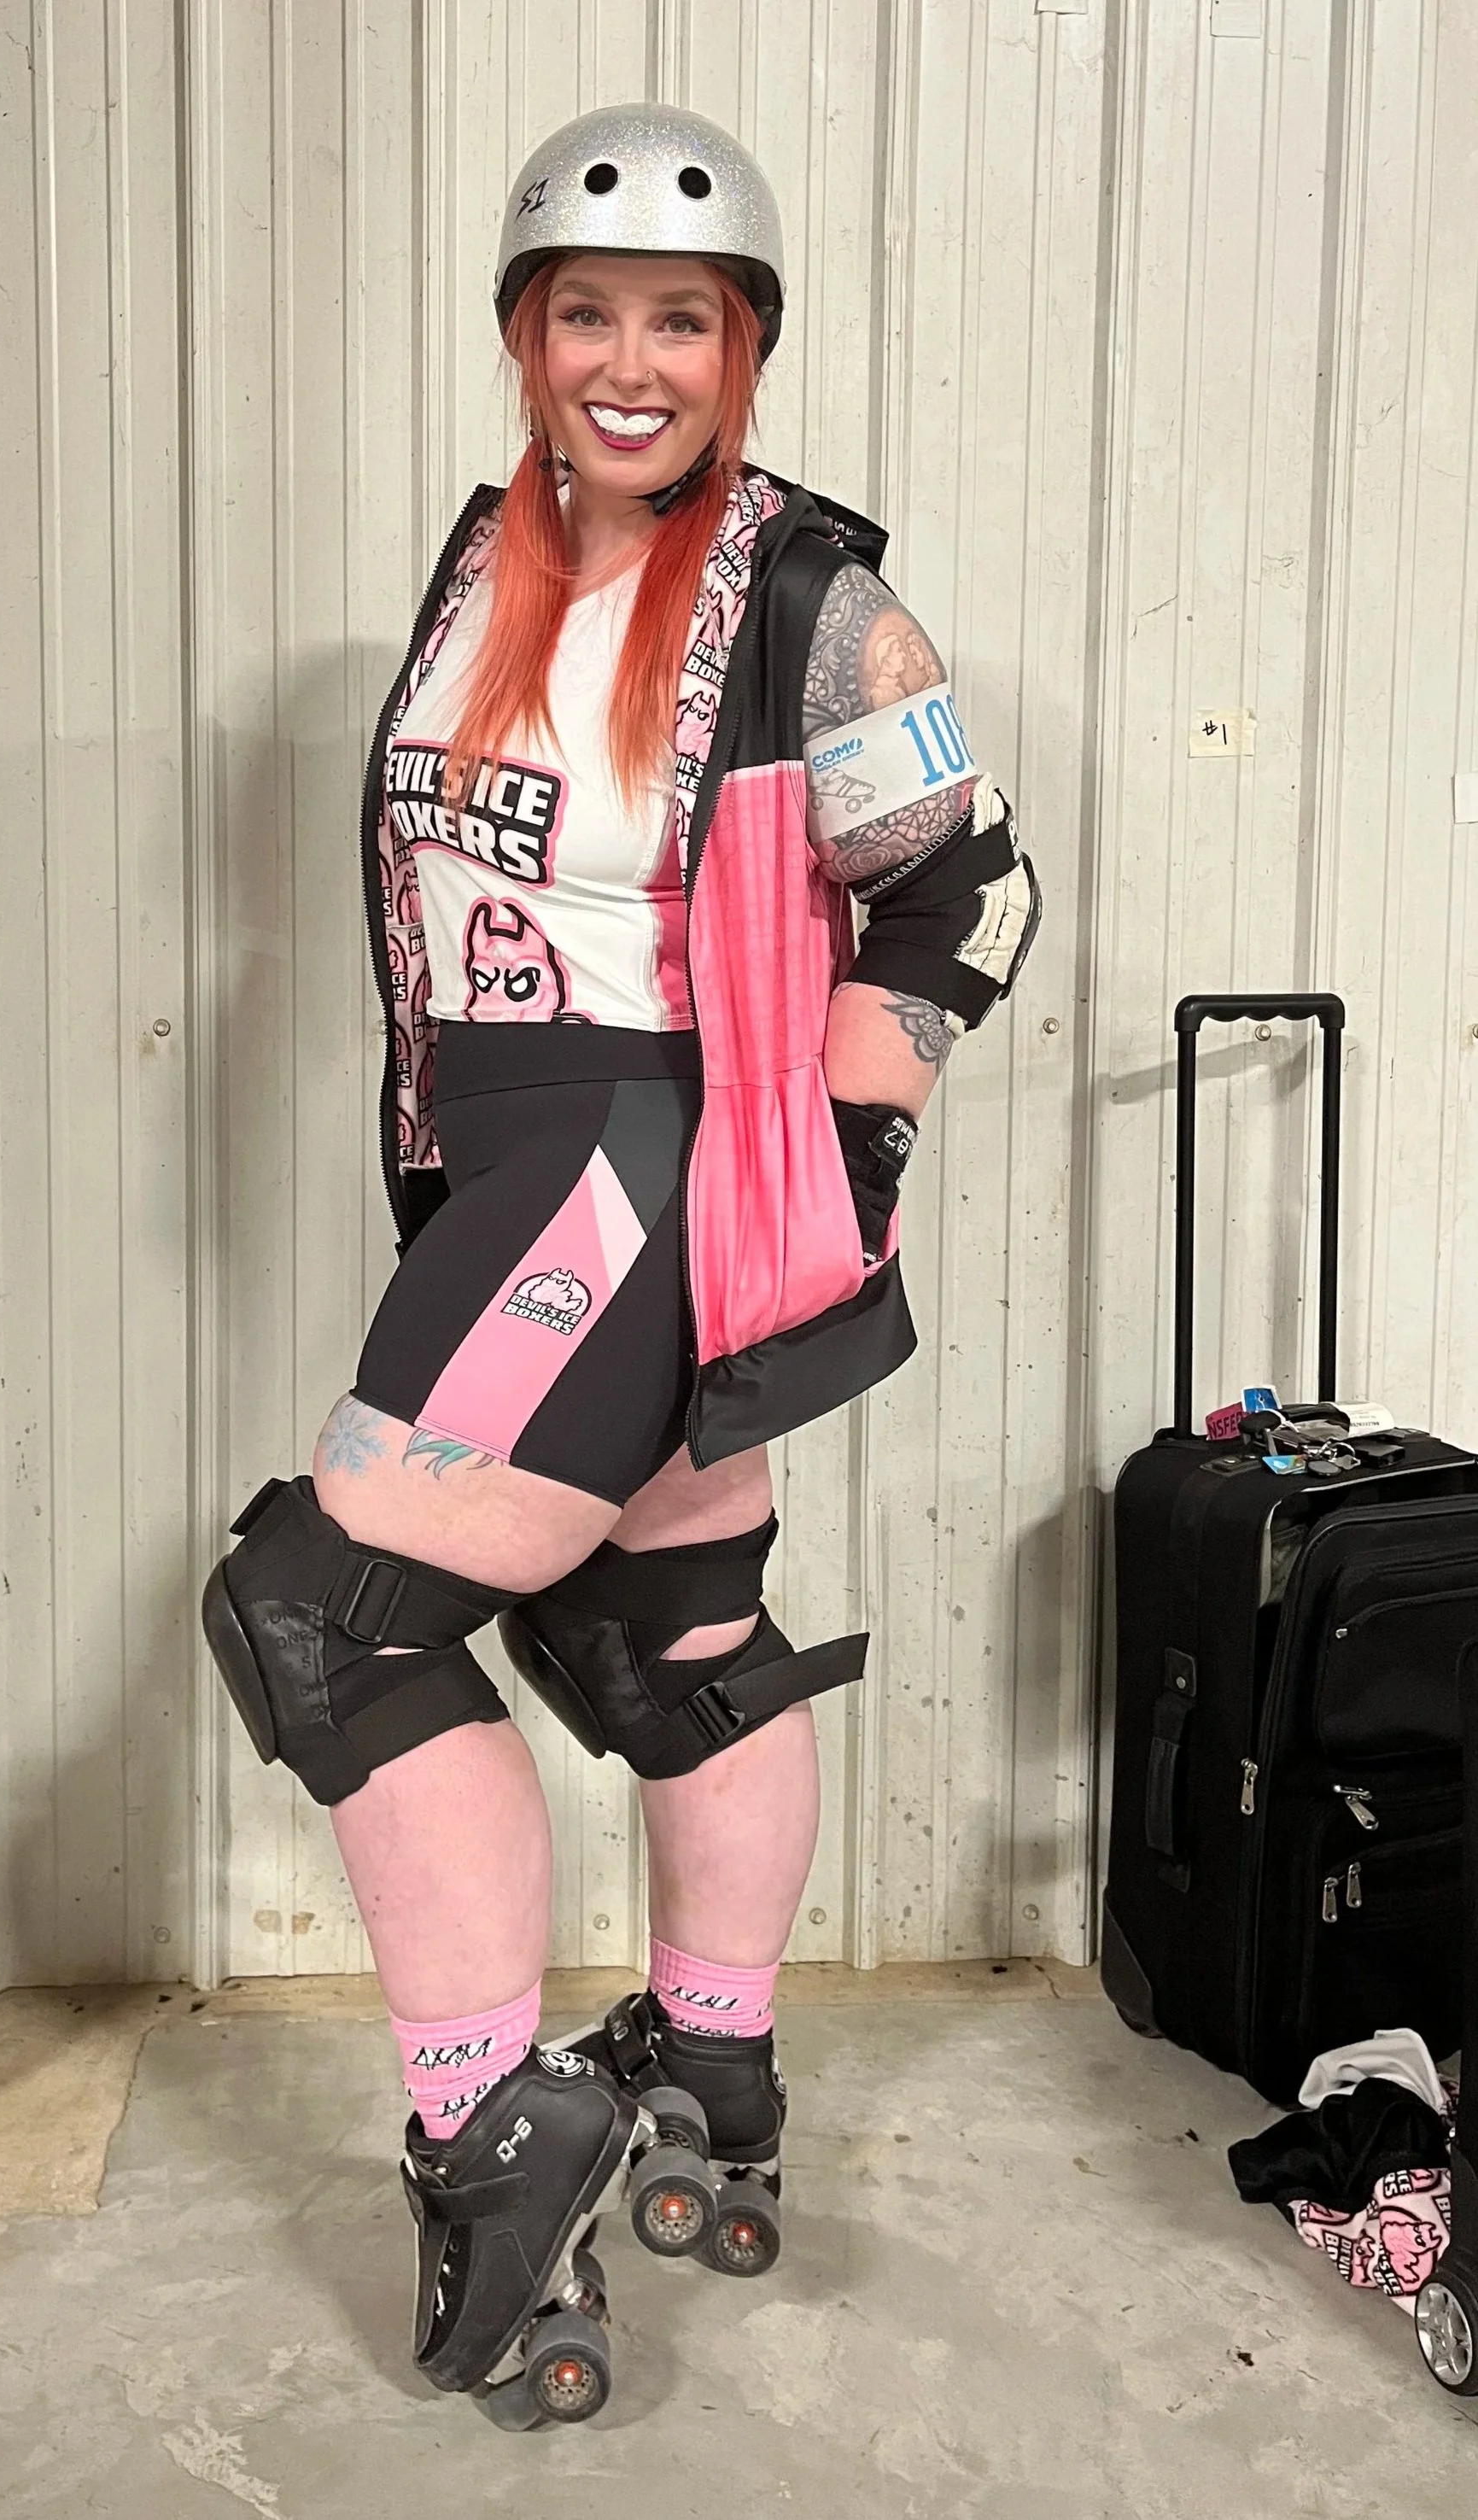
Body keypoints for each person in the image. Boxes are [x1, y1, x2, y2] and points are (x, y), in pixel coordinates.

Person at [203, 102, 1038, 2429]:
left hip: (635, 1161)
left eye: (683, 319)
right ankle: (711, 2060)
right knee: (678, 1627)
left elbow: (966, 886)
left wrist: (837, 1154)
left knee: (322, 1615)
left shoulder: (815, 602)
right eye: (589, 314)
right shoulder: (488, 560)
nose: (631, 362)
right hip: (517, 1156)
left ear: (742, 346)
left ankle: (495, 2122)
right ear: (525, 335)